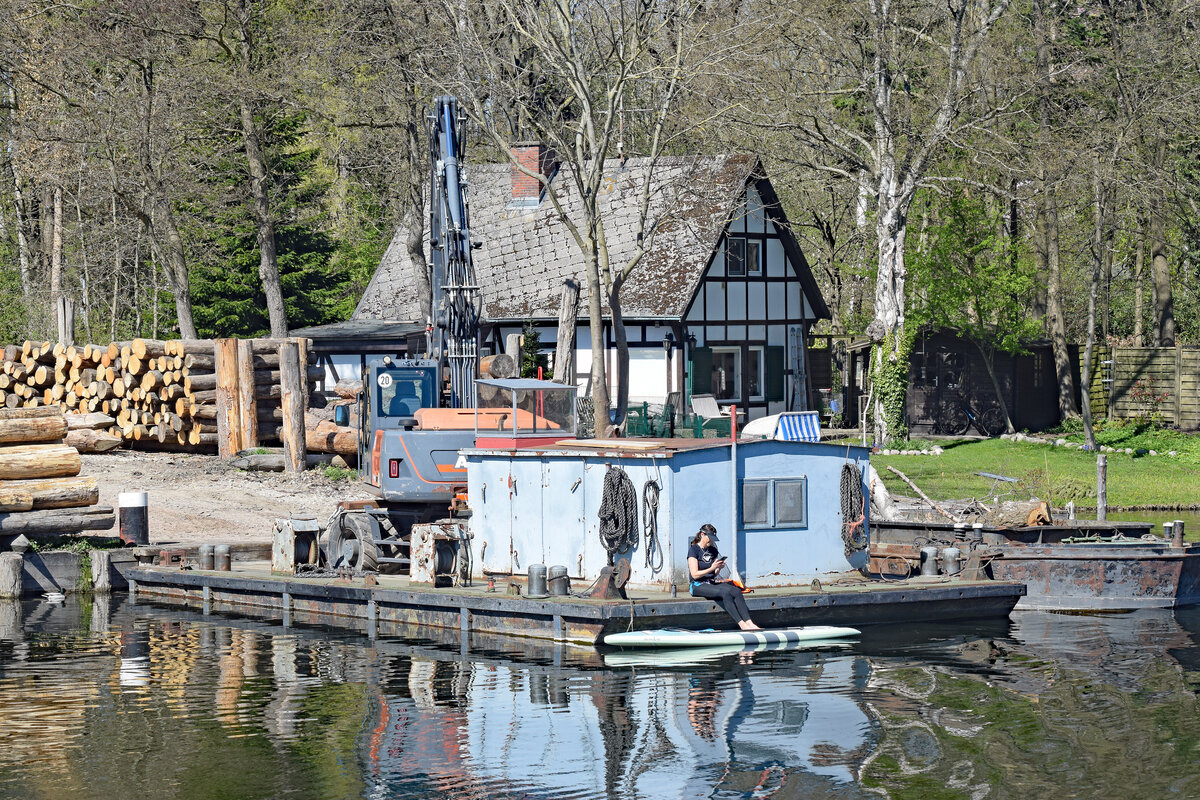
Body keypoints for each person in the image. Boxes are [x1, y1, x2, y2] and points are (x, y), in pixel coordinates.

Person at [687, 523, 761, 631]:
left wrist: (718, 568)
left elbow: (713, 574)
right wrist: (712, 568)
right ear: (702, 535)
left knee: (736, 591)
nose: (711, 541)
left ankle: (749, 623)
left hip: (710, 582)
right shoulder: (693, 550)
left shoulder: (712, 550)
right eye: (709, 538)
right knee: (725, 593)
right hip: (697, 585)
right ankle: (742, 625)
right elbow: (694, 574)